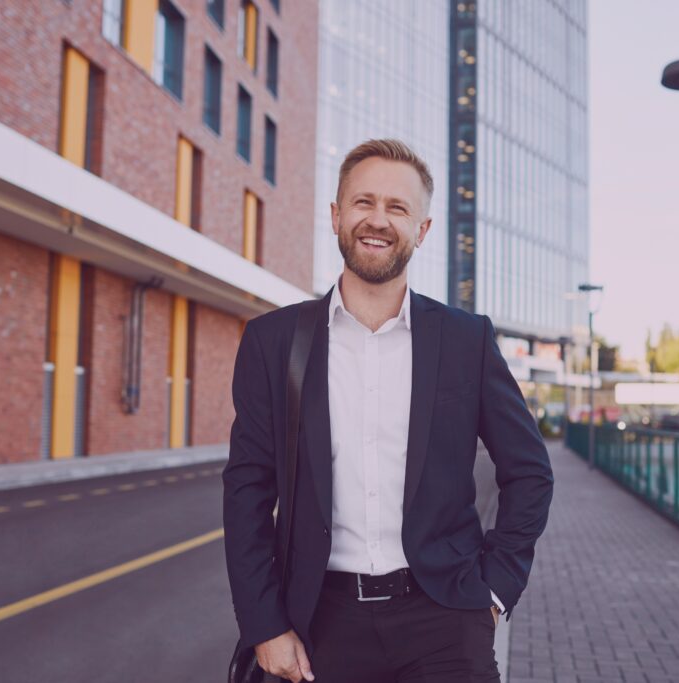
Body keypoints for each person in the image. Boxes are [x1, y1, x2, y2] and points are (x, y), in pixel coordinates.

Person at [223, 139, 554, 682]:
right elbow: (247, 492)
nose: (378, 220)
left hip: (444, 619)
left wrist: (493, 591)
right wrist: (264, 625)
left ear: (421, 230)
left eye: (398, 208)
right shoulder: (274, 341)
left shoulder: (467, 341)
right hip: (316, 624)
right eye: (363, 202)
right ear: (335, 216)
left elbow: (531, 472)